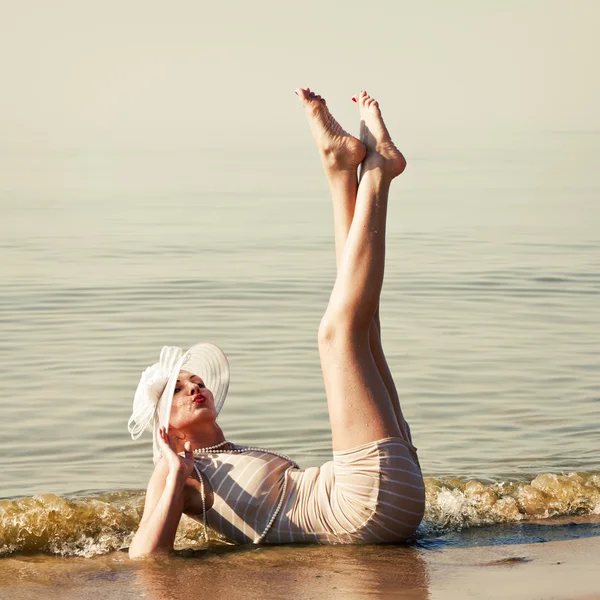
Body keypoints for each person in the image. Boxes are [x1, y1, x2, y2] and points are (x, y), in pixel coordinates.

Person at [127, 89, 426, 558]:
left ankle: (341, 171)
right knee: (336, 335)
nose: (194, 386)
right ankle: (378, 174)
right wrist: (172, 471)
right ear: (166, 426)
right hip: (366, 506)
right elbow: (146, 559)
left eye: (195, 379)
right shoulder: (176, 470)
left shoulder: (226, 453)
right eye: (180, 389)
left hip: (376, 496)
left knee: (364, 329)